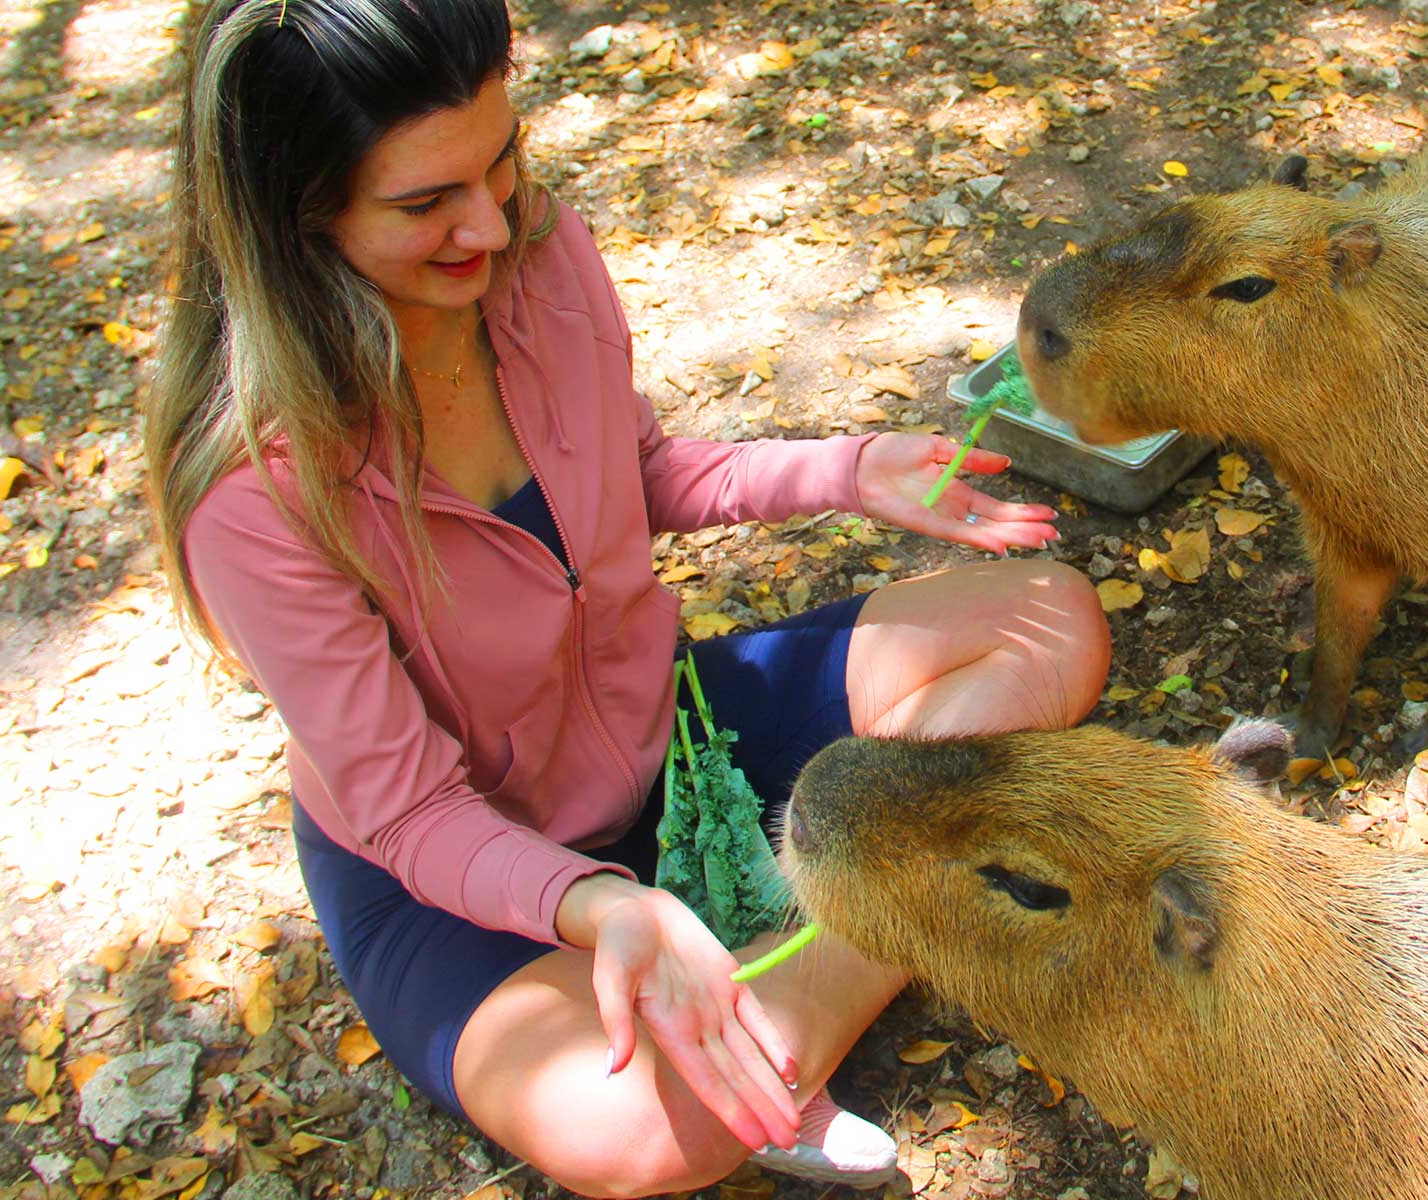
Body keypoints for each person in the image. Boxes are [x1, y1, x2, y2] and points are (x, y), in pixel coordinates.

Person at [141, 0, 1112, 1193]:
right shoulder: (253, 493)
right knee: (634, 1134)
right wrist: (601, 907)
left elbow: (631, 471)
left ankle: (808, 973)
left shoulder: (540, 252)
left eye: (501, 157)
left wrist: (845, 471)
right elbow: (411, 813)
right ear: (294, 216)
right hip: (462, 862)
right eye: (426, 203)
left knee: (1047, 619)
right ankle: (885, 910)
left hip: (661, 734)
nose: (489, 222)